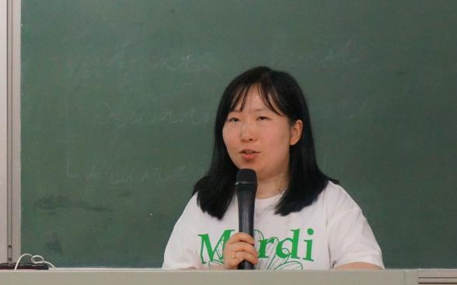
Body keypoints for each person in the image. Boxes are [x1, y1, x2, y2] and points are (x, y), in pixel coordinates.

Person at [162, 66, 383, 271]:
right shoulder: (203, 205)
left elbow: (368, 278)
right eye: (235, 119)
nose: (246, 134)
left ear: (294, 132)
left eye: (262, 118)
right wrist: (222, 274)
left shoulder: (329, 202)